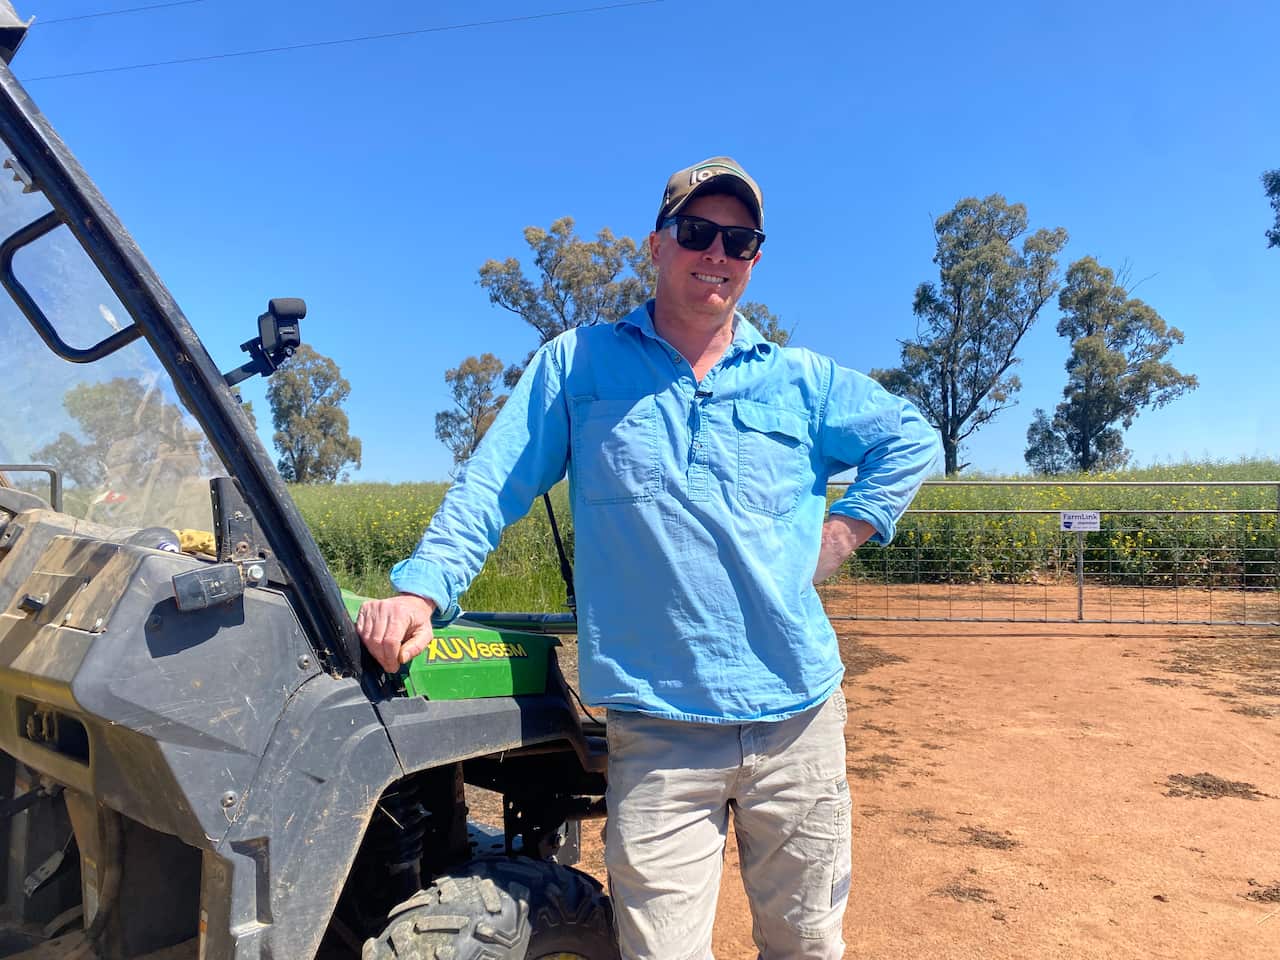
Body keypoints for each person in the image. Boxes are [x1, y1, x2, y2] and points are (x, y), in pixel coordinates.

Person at [357, 156, 941, 960]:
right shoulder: (581, 365)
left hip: (797, 720)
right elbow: (492, 484)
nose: (718, 253)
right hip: (659, 734)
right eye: (697, 232)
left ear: (755, 259)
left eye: (740, 241)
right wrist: (422, 593)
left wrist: (845, 531)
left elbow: (910, 436)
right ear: (658, 246)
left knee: (805, 945)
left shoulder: (800, 381)